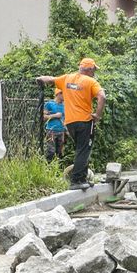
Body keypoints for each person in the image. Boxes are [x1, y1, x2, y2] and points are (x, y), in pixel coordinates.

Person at [36, 58, 106, 190]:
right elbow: (102, 97)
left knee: (80, 149)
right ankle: (77, 181)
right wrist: (97, 115)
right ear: (89, 69)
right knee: (84, 149)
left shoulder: (67, 78)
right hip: (85, 121)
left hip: (69, 123)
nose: (95, 72)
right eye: (94, 70)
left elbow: (50, 79)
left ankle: (82, 178)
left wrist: (40, 78)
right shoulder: (91, 81)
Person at [42, 90, 65, 161]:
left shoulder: (65, 105)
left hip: (61, 131)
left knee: (60, 153)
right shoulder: (49, 104)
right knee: (50, 152)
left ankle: (57, 169)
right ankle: (47, 169)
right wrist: (55, 115)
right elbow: (43, 117)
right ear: (59, 94)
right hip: (51, 131)